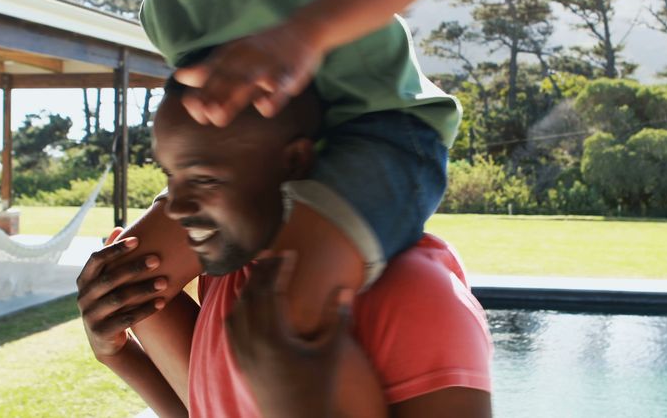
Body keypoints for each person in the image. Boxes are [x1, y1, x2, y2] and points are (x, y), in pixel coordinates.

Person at [77, 0, 460, 390]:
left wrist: (302, 35)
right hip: (263, 165)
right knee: (121, 283)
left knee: (279, 313)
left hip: (381, 136)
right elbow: (212, 130)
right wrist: (115, 353)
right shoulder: (164, 5)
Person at [77, 82, 492, 417]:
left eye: (204, 177)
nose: (175, 206)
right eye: (171, 177)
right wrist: (117, 354)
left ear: (293, 161)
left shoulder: (415, 298)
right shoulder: (234, 280)